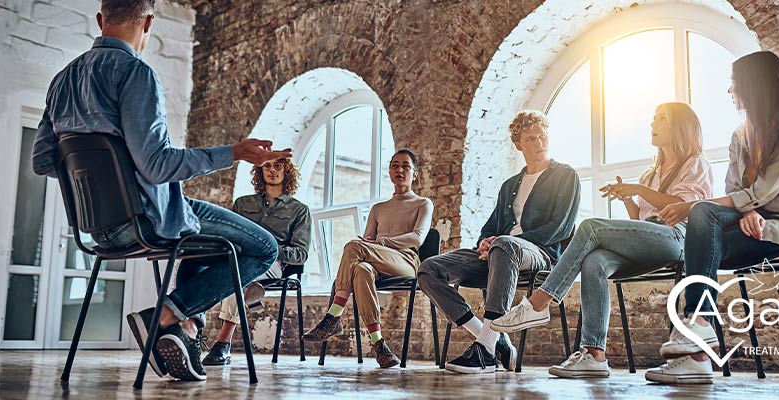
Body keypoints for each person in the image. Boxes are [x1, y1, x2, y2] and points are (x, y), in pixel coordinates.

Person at [31, 0, 290, 382]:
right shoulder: (135, 73)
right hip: (147, 219)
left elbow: (44, 161)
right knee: (264, 247)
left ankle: (184, 332)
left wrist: (102, 181)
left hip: (99, 229)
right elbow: (156, 166)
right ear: (150, 21)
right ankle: (167, 315)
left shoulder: (62, 81)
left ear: (101, 20)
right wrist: (233, 153)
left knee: (199, 240)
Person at [645, 50, 779, 384]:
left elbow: (763, 190)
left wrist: (743, 206)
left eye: (735, 85)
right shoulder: (741, 135)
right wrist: (748, 211)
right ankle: (699, 348)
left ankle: (698, 330)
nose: (731, 92)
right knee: (701, 236)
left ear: (756, 87)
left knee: (701, 212)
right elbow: (737, 187)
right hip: (759, 222)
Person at [491, 103, 713, 379]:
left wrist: (638, 189)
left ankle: (539, 303)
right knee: (595, 261)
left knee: (590, 227)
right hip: (649, 241)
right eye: (653, 117)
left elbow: (686, 207)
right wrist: (629, 200)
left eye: (661, 119)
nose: (653, 123)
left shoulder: (695, 164)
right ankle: (594, 354)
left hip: (677, 238)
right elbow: (640, 222)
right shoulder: (650, 173)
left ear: (680, 128)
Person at [418, 110, 580, 374]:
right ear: (518, 144)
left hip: (540, 254)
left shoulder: (565, 176)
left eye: (543, 136)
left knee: (505, 244)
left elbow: (560, 227)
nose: (539, 143)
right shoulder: (510, 185)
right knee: (428, 269)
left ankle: (484, 352)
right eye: (531, 138)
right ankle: (493, 339)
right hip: (500, 253)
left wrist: (501, 242)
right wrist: (485, 242)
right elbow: (491, 226)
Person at [302, 149, 433, 368]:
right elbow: (367, 241)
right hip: (375, 263)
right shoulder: (378, 208)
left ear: (415, 173)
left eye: (405, 166)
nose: (399, 170)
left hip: (406, 262)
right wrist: (372, 244)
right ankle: (379, 344)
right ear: (390, 171)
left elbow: (417, 238)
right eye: (394, 165)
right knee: (361, 269)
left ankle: (334, 315)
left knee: (354, 246)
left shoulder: (423, 203)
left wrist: (382, 242)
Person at [202, 157, 311, 366]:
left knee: (238, 274)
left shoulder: (299, 210)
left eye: (278, 166)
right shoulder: (242, 204)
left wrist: (270, 249)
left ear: (286, 171)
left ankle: (222, 344)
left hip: (274, 264)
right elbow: (228, 236)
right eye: (267, 165)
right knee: (221, 267)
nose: (272, 170)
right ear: (260, 171)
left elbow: (300, 254)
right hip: (239, 257)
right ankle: (251, 293)